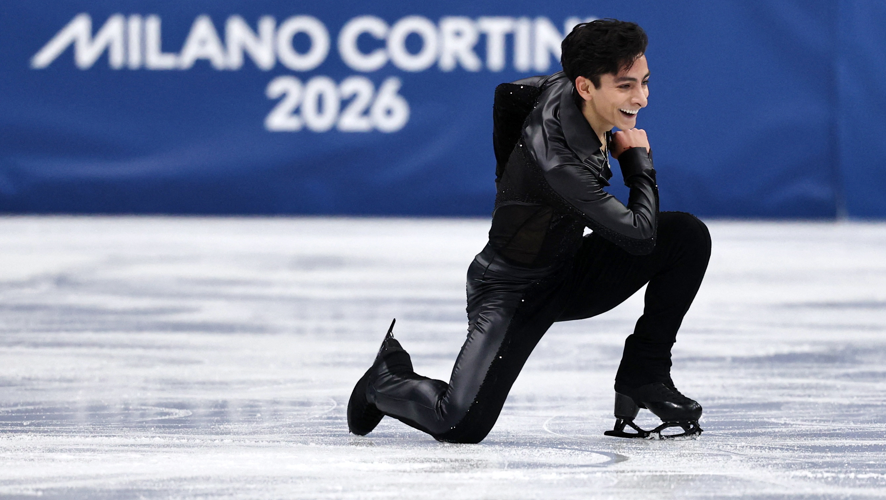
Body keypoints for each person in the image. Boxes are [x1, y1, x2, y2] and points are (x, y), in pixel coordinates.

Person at [347, 19, 711, 443]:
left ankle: (644, 374)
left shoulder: (558, 88)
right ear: (586, 87)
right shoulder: (560, 165)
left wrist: (509, 175)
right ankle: (386, 378)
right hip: (510, 290)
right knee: (459, 423)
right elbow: (639, 235)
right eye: (626, 86)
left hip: (566, 270)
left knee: (686, 236)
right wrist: (638, 164)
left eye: (645, 83)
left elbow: (509, 95)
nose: (642, 98)